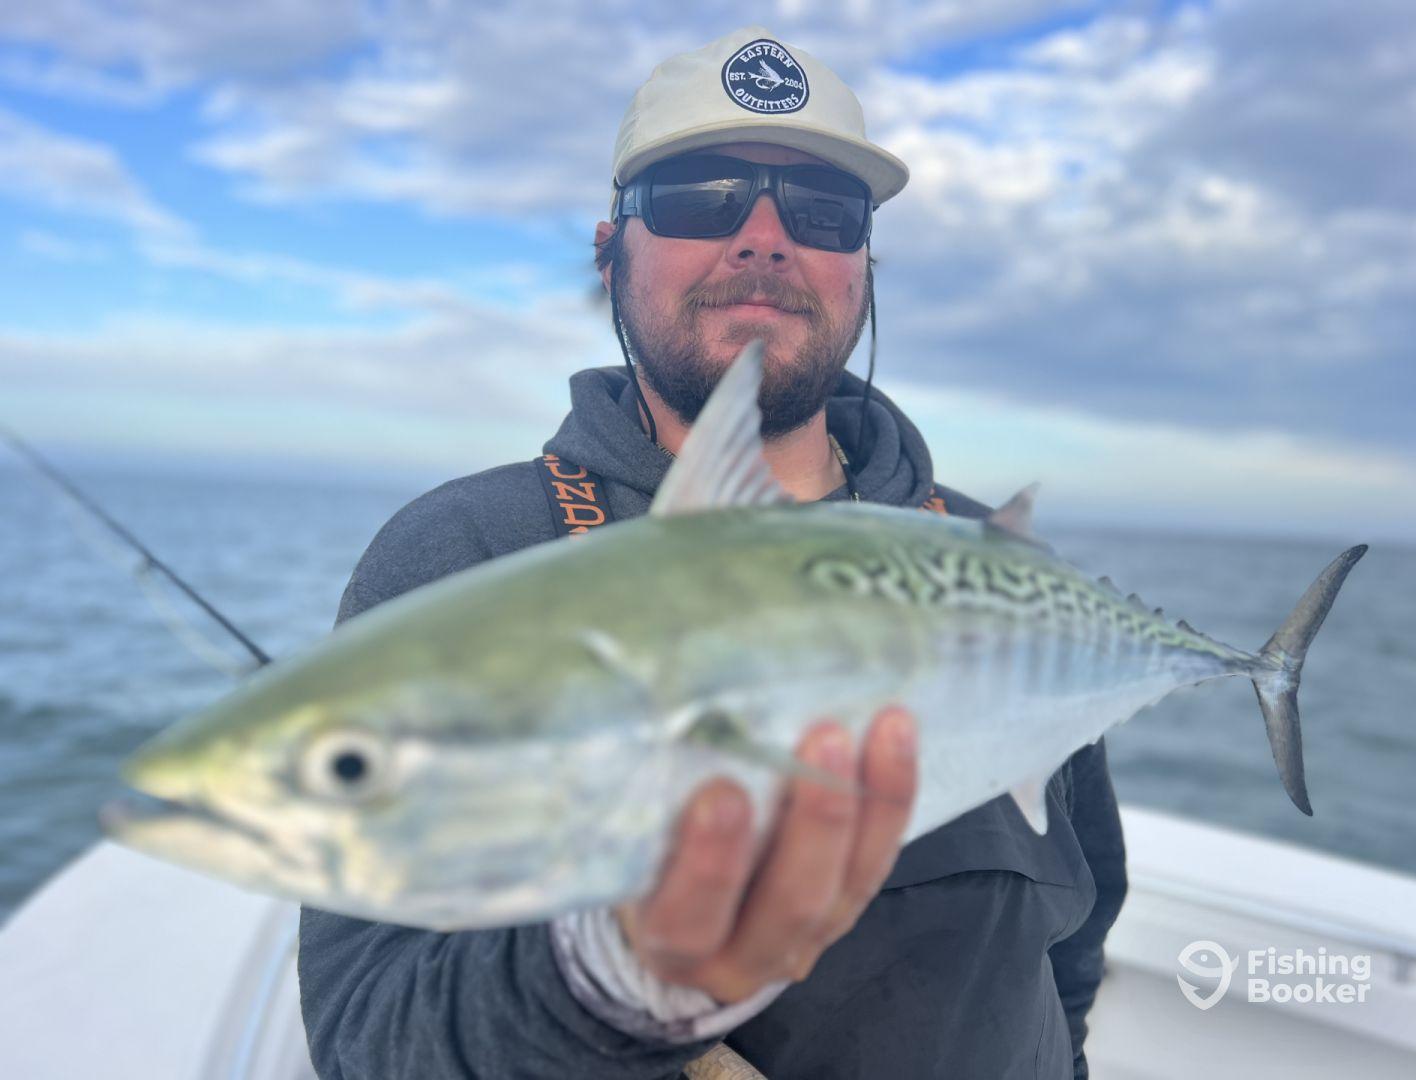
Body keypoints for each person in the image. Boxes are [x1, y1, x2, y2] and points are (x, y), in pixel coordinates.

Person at [298, 25, 1127, 1080]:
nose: (765, 240)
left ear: (860, 268)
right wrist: (609, 985)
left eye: (823, 213)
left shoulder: (982, 557)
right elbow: (370, 1040)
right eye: (704, 196)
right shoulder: (468, 554)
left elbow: (1077, 924)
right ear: (609, 248)